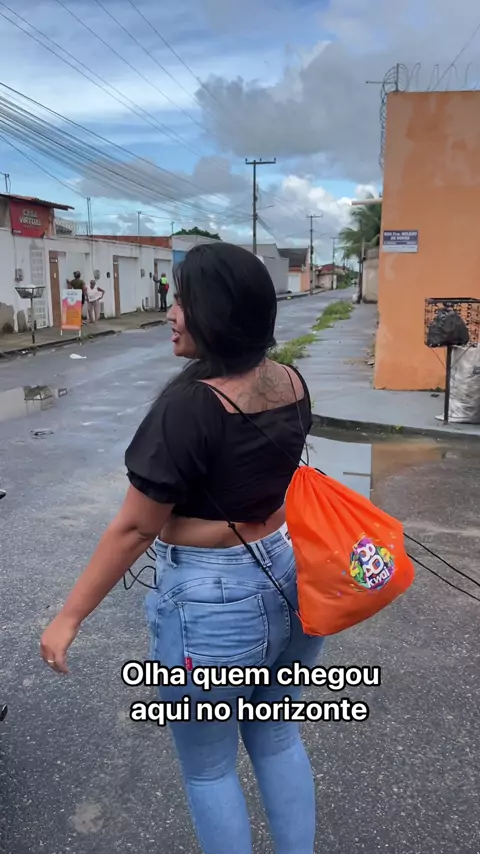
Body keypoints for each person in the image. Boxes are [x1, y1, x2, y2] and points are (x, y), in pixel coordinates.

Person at [40, 242, 325, 854]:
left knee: (210, 768)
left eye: (182, 301)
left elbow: (134, 529)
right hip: (289, 577)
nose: (171, 313)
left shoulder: (191, 406)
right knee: (277, 736)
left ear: (216, 313)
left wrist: (68, 618)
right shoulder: (292, 382)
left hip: (215, 606)